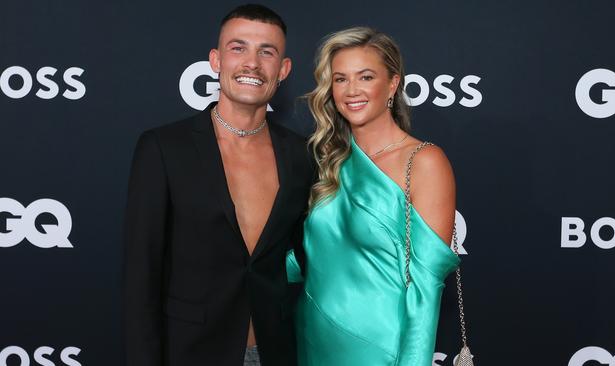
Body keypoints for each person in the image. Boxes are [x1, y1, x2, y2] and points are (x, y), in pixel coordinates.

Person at [124, 4, 312, 366]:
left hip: (277, 352)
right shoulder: (164, 148)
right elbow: (140, 280)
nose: (252, 64)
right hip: (190, 352)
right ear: (216, 60)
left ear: (284, 69)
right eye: (238, 48)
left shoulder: (301, 155)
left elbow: (318, 257)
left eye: (267, 52)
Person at [286, 27, 460, 366]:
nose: (352, 90)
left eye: (366, 77)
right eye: (340, 79)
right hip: (312, 340)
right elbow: (308, 259)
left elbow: (424, 289)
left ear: (393, 84)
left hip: (382, 349)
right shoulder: (328, 160)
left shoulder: (423, 162)